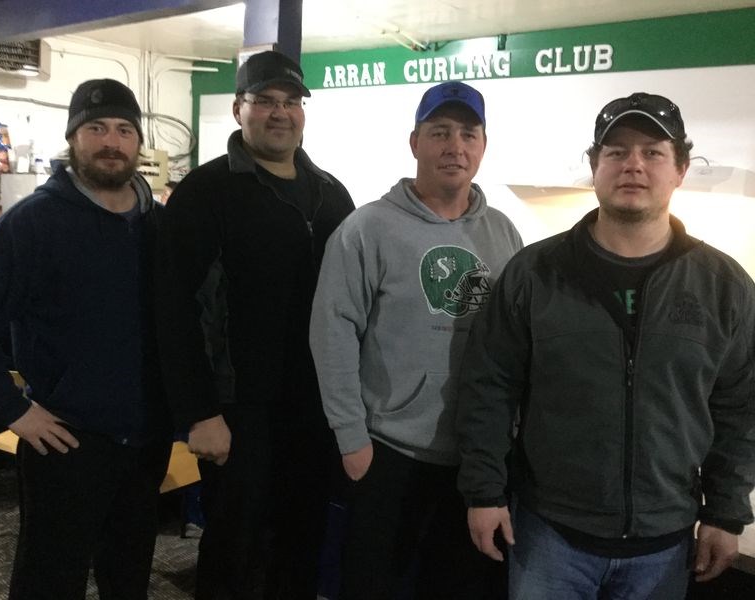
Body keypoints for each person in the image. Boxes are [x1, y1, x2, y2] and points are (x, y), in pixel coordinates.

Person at [457, 92, 755, 599]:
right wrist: (483, 492)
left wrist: (725, 512)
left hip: (663, 544)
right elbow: (490, 386)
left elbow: (740, 407)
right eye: (616, 152)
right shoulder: (535, 274)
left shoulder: (723, 286)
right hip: (549, 537)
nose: (633, 165)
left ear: (680, 169)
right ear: (595, 167)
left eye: (652, 152)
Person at [0, 79, 173, 599]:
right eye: (96, 128)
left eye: (124, 130)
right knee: (49, 582)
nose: (111, 142)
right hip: (66, 441)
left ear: (138, 144)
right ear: (73, 138)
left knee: (129, 579)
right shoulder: (34, 223)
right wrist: (13, 410)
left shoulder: (161, 226)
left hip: (146, 442)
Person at [309, 81, 523, 600]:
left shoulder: (503, 233)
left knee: (457, 587)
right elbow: (332, 333)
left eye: (468, 134)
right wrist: (352, 438)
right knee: (373, 585)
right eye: (440, 132)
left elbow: (518, 341)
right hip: (388, 452)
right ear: (415, 142)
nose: (455, 146)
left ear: (483, 146)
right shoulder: (368, 229)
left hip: (475, 459)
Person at [158, 50, 355, 600]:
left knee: (303, 543)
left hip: (314, 409)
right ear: (238, 109)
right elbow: (174, 310)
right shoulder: (205, 192)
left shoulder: (332, 194)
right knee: (234, 549)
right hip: (237, 410)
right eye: (264, 101)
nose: (279, 113)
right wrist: (199, 413)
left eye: (291, 102)